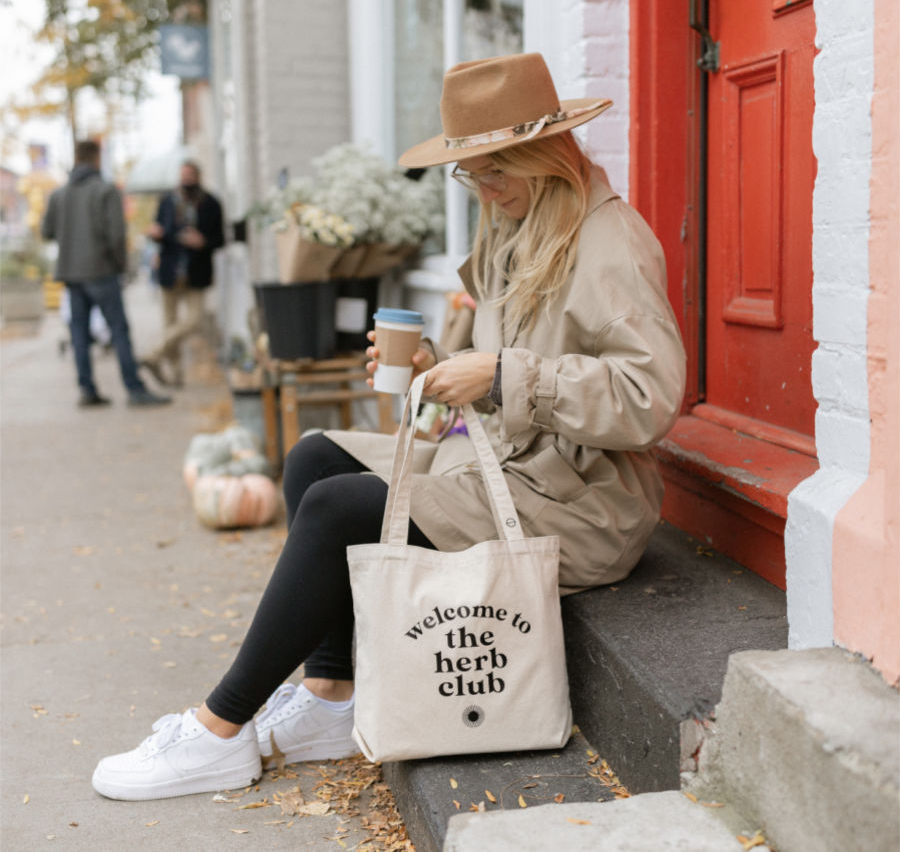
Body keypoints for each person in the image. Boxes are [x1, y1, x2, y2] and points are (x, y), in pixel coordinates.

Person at [91, 52, 686, 801]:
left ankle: (218, 730)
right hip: (509, 463)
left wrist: (501, 374)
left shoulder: (611, 242)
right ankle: (331, 697)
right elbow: (506, 367)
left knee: (343, 507)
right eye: (469, 172)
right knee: (317, 455)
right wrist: (444, 361)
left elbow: (650, 395)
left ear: (545, 153)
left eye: (496, 168)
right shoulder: (517, 225)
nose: (484, 188)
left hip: (585, 502)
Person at [41, 140, 171, 409]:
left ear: (76, 158)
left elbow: (47, 232)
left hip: (71, 274)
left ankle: (87, 390)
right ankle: (134, 389)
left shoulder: (58, 195)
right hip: (101, 271)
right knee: (119, 330)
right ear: (96, 159)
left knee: (79, 334)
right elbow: (115, 235)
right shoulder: (106, 191)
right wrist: (121, 266)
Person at [140, 160, 224, 387]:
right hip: (170, 270)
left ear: (198, 176)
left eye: (190, 175)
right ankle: (176, 374)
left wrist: (203, 241)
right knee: (170, 323)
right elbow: (160, 228)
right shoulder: (167, 201)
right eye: (183, 175)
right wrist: (155, 234)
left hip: (196, 272)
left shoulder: (211, 203)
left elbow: (221, 239)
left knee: (194, 320)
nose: (186, 179)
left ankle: (155, 353)